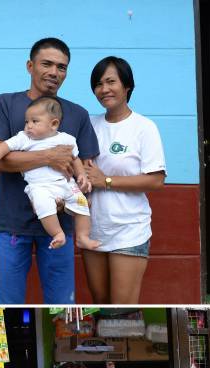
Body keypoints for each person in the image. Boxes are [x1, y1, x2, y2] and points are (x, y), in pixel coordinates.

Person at [0, 38, 99, 304]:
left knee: (62, 304)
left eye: (62, 67)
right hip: (13, 223)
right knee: (8, 302)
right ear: (30, 66)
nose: (54, 72)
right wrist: (49, 157)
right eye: (47, 64)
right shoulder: (4, 104)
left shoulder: (77, 114)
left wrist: (77, 190)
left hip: (61, 223)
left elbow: (87, 168)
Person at [83, 56, 166, 304]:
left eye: (111, 81)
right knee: (100, 303)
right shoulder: (89, 124)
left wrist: (105, 180)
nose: (104, 89)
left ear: (127, 86)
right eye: (98, 84)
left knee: (121, 309)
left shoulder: (143, 127)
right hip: (93, 230)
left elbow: (156, 181)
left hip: (129, 230)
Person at [0, 96, 99, 251]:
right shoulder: (24, 138)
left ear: (54, 124)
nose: (28, 126)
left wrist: (81, 176)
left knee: (82, 203)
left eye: (34, 121)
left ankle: (83, 237)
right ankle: (57, 233)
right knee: (44, 206)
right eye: (27, 122)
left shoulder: (66, 139)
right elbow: (3, 147)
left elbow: (75, 159)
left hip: (65, 183)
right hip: (40, 187)